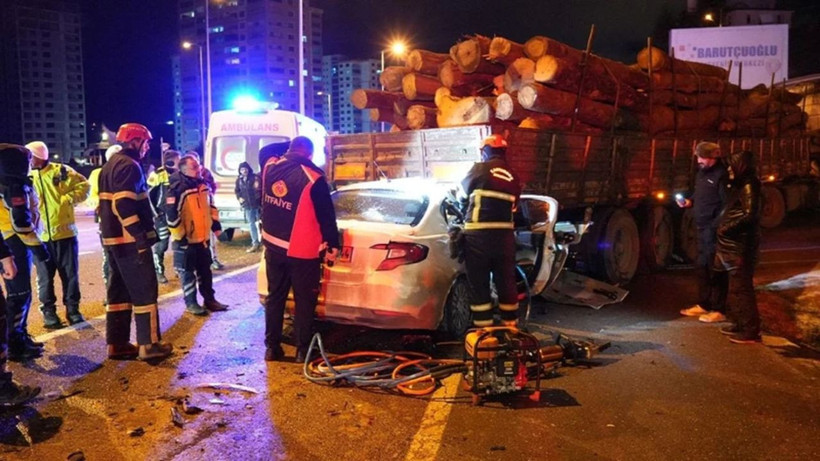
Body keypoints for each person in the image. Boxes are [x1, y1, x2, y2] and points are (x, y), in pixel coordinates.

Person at [261, 136, 339, 362]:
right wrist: (332, 244)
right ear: (310, 155)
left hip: (274, 247)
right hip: (302, 252)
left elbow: (267, 148)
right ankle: (303, 350)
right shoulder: (314, 178)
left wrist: (287, 149)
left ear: (290, 149)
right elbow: (327, 217)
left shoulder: (270, 167)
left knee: (275, 297)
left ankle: (272, 348)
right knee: (305, 301)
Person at [99, 123, 172, 361]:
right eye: (146, 142)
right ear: (135, 142)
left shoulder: (109, 166)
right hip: (130, 242)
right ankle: (149, 346)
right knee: (144, 292)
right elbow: (124, 205)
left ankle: (117, 344)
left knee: (118, 293)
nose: (147, 147)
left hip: (113, 241)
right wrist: (140, 237)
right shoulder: (129, 166)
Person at [26, 141, 91, 329]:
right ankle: (49, 312)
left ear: (40, 155)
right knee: (44, 278)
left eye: (31, 155)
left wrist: (68, 199)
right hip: (40, 238)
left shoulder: (61, 171)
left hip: (65, 235)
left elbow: (84, 186)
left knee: (70, 276)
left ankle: (73, 310)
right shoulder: (26, 176)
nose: (29, 159)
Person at [460, 135, 521, 328]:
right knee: (506, 281)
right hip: (504, 239)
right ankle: (510, 325)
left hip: (478, 238)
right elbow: (514, 207)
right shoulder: (513, 176)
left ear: (485, 151)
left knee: (479, 282)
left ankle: (484, 330)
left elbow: (461, 194)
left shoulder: (479, 169)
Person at [0, 144, 50, 361]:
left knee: (18, 294)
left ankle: (18, 337)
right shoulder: (14, 184)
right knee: (19, 294)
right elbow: (21, 222)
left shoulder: (8, 182)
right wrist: (38, 247)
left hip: (9, 240)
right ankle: (15, 343)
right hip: (14, 241)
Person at [166, 155, 229, 315]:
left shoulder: (204, 186)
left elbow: (212, 209)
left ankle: (210, 300)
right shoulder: (177, 189)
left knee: (205, 272)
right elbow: (171, 216)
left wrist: (217, 230)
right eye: (194, 167)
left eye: (198, 165)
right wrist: (180, 237)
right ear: (184, 169)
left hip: (203, 239)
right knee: (187, 274)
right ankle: (191, 303)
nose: (198, 168)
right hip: (186, 241)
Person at [678, 142, 730, 323]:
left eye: (702, 157)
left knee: (716, 269)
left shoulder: (722, 176)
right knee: (702, 268)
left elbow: (726, 205)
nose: (698, 160)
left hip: (713, 230)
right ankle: (704, 304)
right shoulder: (702, 173)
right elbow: (699, 194)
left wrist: (717, 226)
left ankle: (719, 309)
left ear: (713, 157)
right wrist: (689, 202)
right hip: (701, 228)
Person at [715, 151, 763, 344]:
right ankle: (739, 323)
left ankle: (750, 330)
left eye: (732, 165)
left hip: (740, 246)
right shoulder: (740, 184)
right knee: (735, 288)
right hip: (732, 245)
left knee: (742, 288)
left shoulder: (750, 185)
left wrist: (726, 229)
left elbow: (750, 215)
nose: (729, 169)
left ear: (741, 166)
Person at [87, 145, 121, 302]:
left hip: (127, 222)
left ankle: (126, 292)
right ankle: (111, 293)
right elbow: (91, 196)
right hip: (108, 222)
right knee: (110, 258)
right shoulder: (97, 174)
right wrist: (102, 204)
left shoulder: (129, 170)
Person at [185, 150, 224, 270]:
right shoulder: (183, 176)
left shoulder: (205, 172)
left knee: (209, 236)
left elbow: (212, 186)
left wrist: (208, 195)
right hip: (192, 211)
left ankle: (214, 259)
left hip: (205, 206)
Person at [147, 150, 181, 283]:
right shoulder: (158, 175)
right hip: (162, 216)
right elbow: (148, 196)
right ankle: (158, 271)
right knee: (162, 244)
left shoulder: (181, 174)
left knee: (179, 243)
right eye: (177, 159)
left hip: (177, 215)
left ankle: (180, 269)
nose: (179, 161)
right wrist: (156, 213)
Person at [235, 161, 262, 253]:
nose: (244, 171)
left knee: (261, 223)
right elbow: (237, 191)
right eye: (242, 169)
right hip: (247, 206)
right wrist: (239, 198)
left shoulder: (255, 178)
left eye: (245, 169)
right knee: (251, 225)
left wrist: (259, 201)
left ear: (248, 169)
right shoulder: (239, 180)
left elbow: (259, 189)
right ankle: (255, 243)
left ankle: (264, 243)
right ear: (240, 171)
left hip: (257, 205)